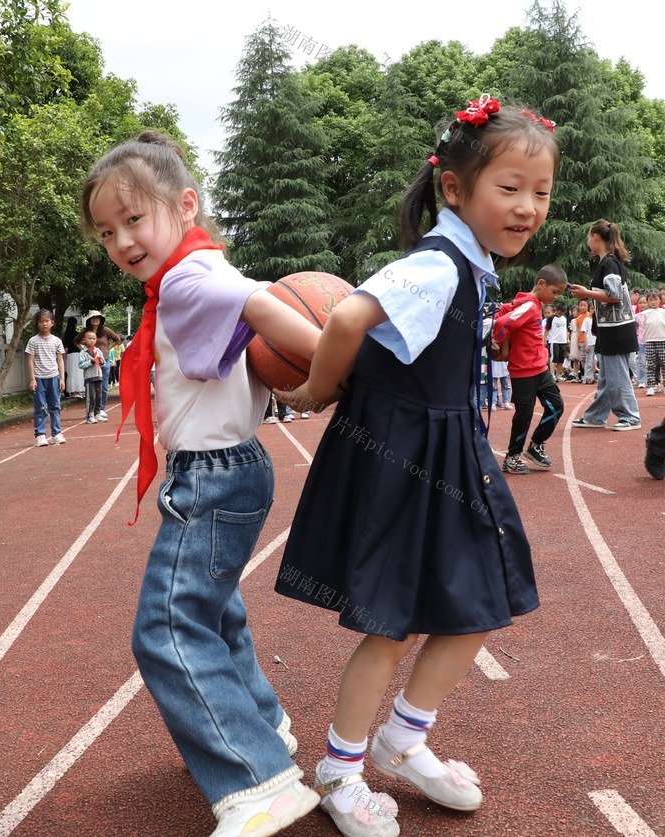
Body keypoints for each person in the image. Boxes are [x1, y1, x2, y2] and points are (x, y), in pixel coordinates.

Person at [274, 95, 557, 836]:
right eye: (510, 188)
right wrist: (315, 389)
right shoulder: (437, 263)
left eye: (541, 191)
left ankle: (405, 735)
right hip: (406, 458)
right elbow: (344, 318)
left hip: (447, 450)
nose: (528, 206)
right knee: (393, 624)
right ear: (456, 189)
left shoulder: (469, 262)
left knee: (484, 598)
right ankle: (339, 768)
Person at [81, 131, 324, 836]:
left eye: (135, 219)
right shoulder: (195, 266)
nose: (122, 240)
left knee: (165, 628)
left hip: (214, 474)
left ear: (184, 204)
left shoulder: (189, 278)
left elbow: (258, 306)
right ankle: (263, 724)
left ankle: (257, 781)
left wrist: (332, 352)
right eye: (106, 231)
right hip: (230, 466)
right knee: (216, 611)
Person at [491, 266, 568, 474]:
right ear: (541, 284)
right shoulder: (531, 306)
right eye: (555, 292)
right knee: (523, 416)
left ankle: (536, 445)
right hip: (523, 371)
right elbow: (501, 322)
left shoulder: (529, 304)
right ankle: (512, 456)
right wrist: (496, 344)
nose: (555, 297)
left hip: (540, 369)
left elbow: (504, 310)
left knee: (556, 406)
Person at [569, 220, 641, 430]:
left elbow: (615, 295)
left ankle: (630, 416)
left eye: (588, 237)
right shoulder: (608, 262)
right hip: (610, 328)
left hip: (617, 329)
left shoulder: (609, 263)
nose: (588, 242)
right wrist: (587, 292)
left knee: (616, 375)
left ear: (596, 237)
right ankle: (595, 416)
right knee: (607, 377)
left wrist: (585, 293)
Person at [26, 309, 66, 446]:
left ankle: (57, 433)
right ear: (37, 324)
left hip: (54, 378)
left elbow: (60, 360)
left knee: (55, 406)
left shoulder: (57, 341)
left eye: (47, 321)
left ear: (52, 323)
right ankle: (40, 435)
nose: (44, 324)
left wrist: (62, 379)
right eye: (41, 321)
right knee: (41, 408)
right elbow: (30, 360)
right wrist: (32, 379)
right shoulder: (33, 341)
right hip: (39, 379)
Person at [75, 310, 122, 418]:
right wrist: (84, 350)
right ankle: (91, 410)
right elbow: (76, 341)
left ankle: (101, 409)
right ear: (89, 320)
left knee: (103, 386)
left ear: (101, 319)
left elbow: (118, 340)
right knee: (90, 386)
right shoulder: (85, 332)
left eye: (97, 317)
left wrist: (107, 349)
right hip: (90, 363)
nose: (95, 319)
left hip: (103, 361)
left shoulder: (105, 330)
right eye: (93, 317)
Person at [77, 329, 106, 423]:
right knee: (91, 397)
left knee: (98, 397)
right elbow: (81, 365)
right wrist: (91, 361)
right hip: (89, 378)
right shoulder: (83, 352)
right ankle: (90, 415)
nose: (92, 340)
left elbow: (103, 362)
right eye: (89, 338)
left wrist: (101, 361)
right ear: (84, 340)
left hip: (99, 376)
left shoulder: (98, 350)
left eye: (94, 338)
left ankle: (97, 414)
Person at [639, 291, 665, 395]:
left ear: (660, 300)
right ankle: (651, 385)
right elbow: (644, 325)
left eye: (655, 299)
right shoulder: (645, 313)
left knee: (664, 362)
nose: (653, 302)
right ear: (648, 302)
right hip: (649, 340)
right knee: (650, 363)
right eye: (650, 300)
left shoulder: (663, 312)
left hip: (663, 339)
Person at [61, 316, 85, 397]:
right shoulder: (77, 334)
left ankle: (72, 391)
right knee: (78, 372)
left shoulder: (65, 335)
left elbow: (64, 345)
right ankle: (77, 391)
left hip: (69, 355)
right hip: (77, 354)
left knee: (71, 373)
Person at [548, 301, 568, 380]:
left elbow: (565, 328)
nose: (560, 314)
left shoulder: (564, 318)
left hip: (563, 341)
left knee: (561, 360)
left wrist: (567, 338)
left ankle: (557, 375)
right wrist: (544, 339)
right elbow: (546, 329)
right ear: (555, 310)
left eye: (562, 313)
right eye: (559, 312)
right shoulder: (551, 318)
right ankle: (552, 375)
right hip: (554, 341)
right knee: (554, 358)